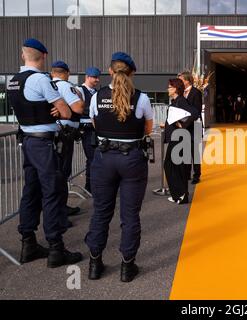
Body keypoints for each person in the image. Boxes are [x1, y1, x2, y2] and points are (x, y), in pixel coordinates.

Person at [7, 38, 83, 268]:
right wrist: (62, 110)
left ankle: (28, 243)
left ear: (23, 56)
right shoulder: (40, 79)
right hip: (43, 143)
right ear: (44, 56)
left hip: (28, 141)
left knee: (31, 191)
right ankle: (55, 248)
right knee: (52, 192)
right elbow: (67, 113)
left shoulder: (13, 81)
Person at [85, 52, 153, 282]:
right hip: (132, 158)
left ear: (110, 71)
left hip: (103, 159)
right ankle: (127, 267)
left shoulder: (97, 97)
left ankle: (94, 265)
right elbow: (148, 130)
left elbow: (95, 125)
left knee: (101, 212)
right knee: (130, 215)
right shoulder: (142, 98)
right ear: (132, 72)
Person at [51, 61, 85, 222]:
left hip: (52, 134)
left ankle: (58, 210)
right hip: (64, 135)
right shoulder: (65, 86)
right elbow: (78, 108)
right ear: (67, 72)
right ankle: (60, 213)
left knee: (56, 173)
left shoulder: (48, 84)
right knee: (62, 173)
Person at [163, 78, 198, 204]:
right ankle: (179, 194)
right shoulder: (177, 101)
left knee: (174, 167)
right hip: (177, 138)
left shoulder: (181, 101)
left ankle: (181, 195)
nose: (167, 89)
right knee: (174, 167)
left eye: (169, 87)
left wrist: (183, 125)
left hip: (179, 138)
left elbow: (195, 113)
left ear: (175, 89)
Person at [76, 67, 100, 193]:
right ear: (87, 76)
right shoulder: (80, 90)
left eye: (97, 77)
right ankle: (90, 186)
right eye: (94, 77)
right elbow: (78, 109)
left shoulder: (96, 92)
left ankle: (93, 184)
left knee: (95, 158)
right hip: (86, 129)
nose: (97, 79)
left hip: (95, 129)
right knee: (92, 158)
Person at [178, 71, 202, 184]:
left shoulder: (196, 92)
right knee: (186, 151)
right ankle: (186, 174)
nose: (179, 82)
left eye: (181, 80)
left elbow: (196, 112)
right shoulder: (180, 93)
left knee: (195, 153)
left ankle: (197, 175)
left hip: (195, 125)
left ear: (187, 81)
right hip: (184, 126)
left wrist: (184, 124)